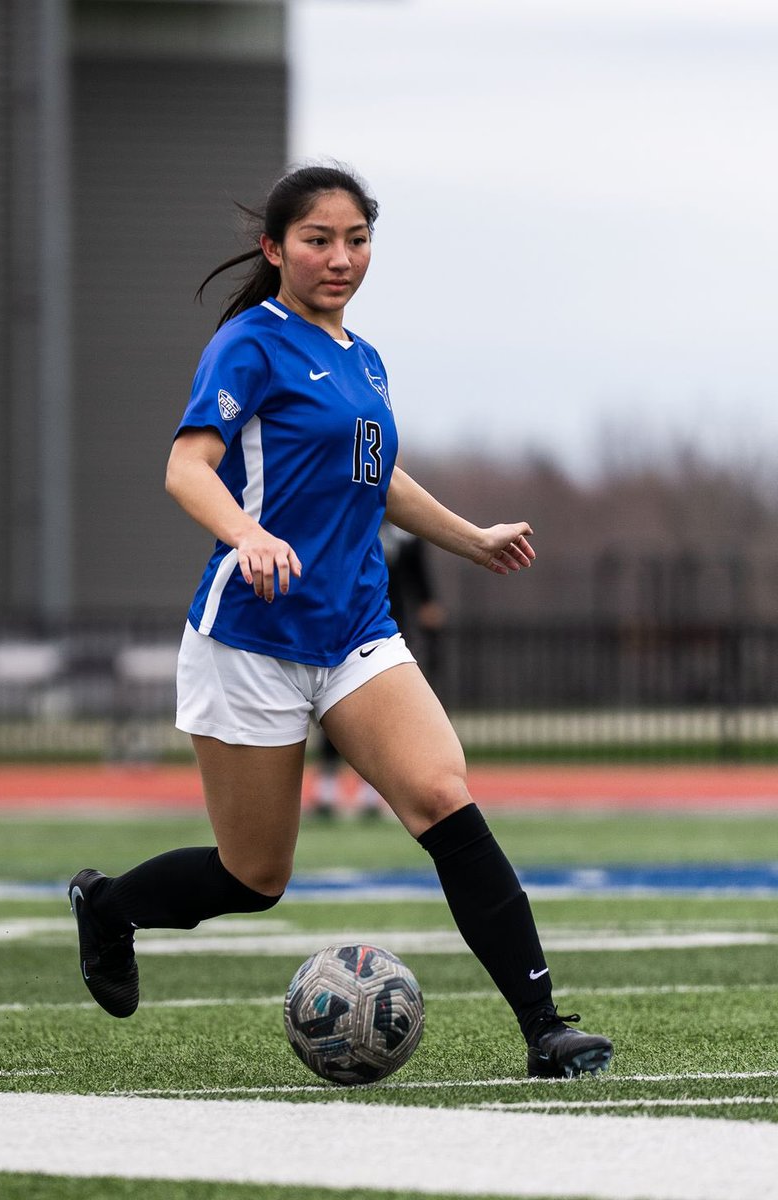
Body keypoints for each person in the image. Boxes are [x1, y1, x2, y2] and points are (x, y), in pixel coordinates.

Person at [69, 163, 613, 1079]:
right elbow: (186, 468)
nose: (341, 257)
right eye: (319, 240)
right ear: (274, 248)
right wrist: (246, 535)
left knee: (443, 797)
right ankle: (110, 907)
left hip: (357, 629)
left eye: (357, 239)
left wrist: (468, 539)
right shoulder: (250, 344)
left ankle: (546, 1029)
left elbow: (378, 476)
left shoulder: (364, 359)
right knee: (254, 877)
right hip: (250, 639)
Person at [311, 521, 446, 817]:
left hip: (387, 631)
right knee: (332, 713)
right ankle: (326, 790)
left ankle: (371, 794)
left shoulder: (407, 536)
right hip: (340, 628)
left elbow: (422, 587)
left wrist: (432, 633)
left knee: (380, 718)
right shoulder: (349, 518)